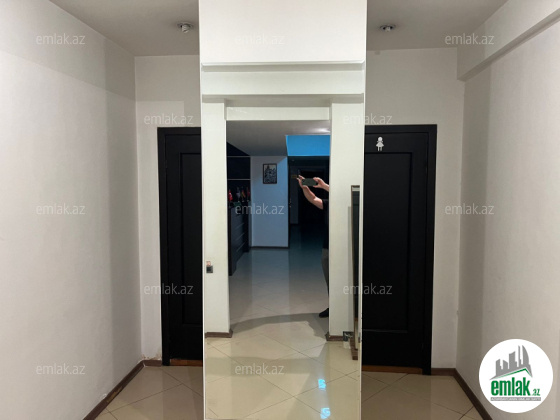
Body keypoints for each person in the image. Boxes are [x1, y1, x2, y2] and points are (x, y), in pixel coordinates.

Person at [297, 175, 330, 318]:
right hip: (327, 247)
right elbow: (313, 199)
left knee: (340, 280)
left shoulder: (344, 201)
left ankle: (342, 309)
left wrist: (324, 186)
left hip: (341, 248)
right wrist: (305, 188)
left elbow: (343, 194)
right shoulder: (329, 203)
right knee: (329, 280)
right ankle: (333, 306)